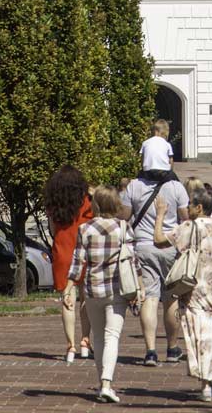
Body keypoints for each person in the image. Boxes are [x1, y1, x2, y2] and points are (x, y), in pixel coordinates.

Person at [154, 186, 212, 403]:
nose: (186, 209)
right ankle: (209, 379)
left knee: (198, 334)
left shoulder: (187, 227)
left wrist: (160, 215)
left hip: (193, 289)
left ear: (199, 207)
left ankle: (205, 382)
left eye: (189, 205)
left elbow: (158, 240)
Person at [65, 185, 144, 404]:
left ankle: (102, 383)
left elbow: (77, 261)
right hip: (118, 289)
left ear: (96, 204)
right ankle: (107, 384)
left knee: (98, 337)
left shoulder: (84, 229)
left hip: (92, 290)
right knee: (112, 336)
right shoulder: (123, 228)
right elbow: (133, 260)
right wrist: (140, 287)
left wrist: (69, 287)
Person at [123, 167, 189, 365]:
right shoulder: (177, 187)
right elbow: (185, 218)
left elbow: (124, 215)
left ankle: (150, 351)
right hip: (170, 246)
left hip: (143, 246)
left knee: (150, 298)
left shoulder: (134, 186)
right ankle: (172, 347)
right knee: (171, 298)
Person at [44, 165, 93, 363]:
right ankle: (85, 341)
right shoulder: (86, 201)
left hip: (62, 250)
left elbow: (53, 229)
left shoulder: (54, 204)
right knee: (85, 298)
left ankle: (70, 345)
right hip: (83, 250)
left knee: (67, 299)